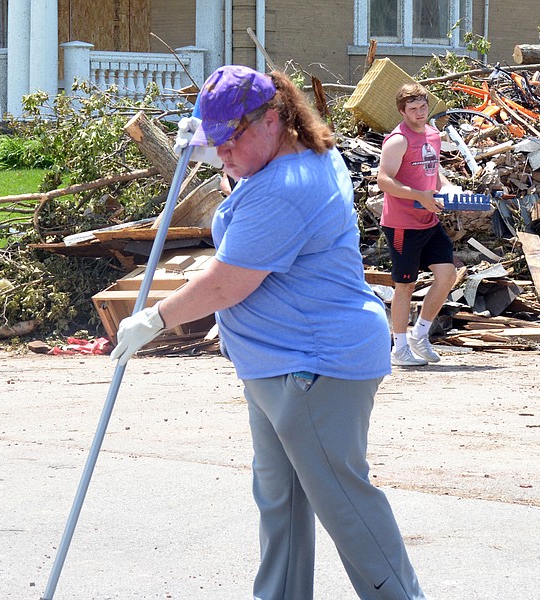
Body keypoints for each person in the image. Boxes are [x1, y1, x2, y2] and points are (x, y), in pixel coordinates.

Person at [111, 65, 427, 600]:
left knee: (346, 508)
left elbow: (226, 283)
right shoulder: (304, 154)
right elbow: (246, 174)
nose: (224, 154)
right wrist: (211, 146)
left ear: (276, 118)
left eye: (230, 141)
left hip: (313, 366)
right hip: (272, 364)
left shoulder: (285, 188)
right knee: (279, 502)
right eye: (216, 144)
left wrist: (155, 318)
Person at [376, 83, 458, 367]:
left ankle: (419, 335)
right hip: (402, 224)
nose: (420, 113)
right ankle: (398, 348)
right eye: (413, 109)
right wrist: (418, 196)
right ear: (402, 111)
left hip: (428, 220)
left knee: (447, 276)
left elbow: (433, 172)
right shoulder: (397, 140)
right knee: (404, 287)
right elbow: (383, 180)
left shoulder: (434, 135)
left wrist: (447, 188)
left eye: (423, 107)